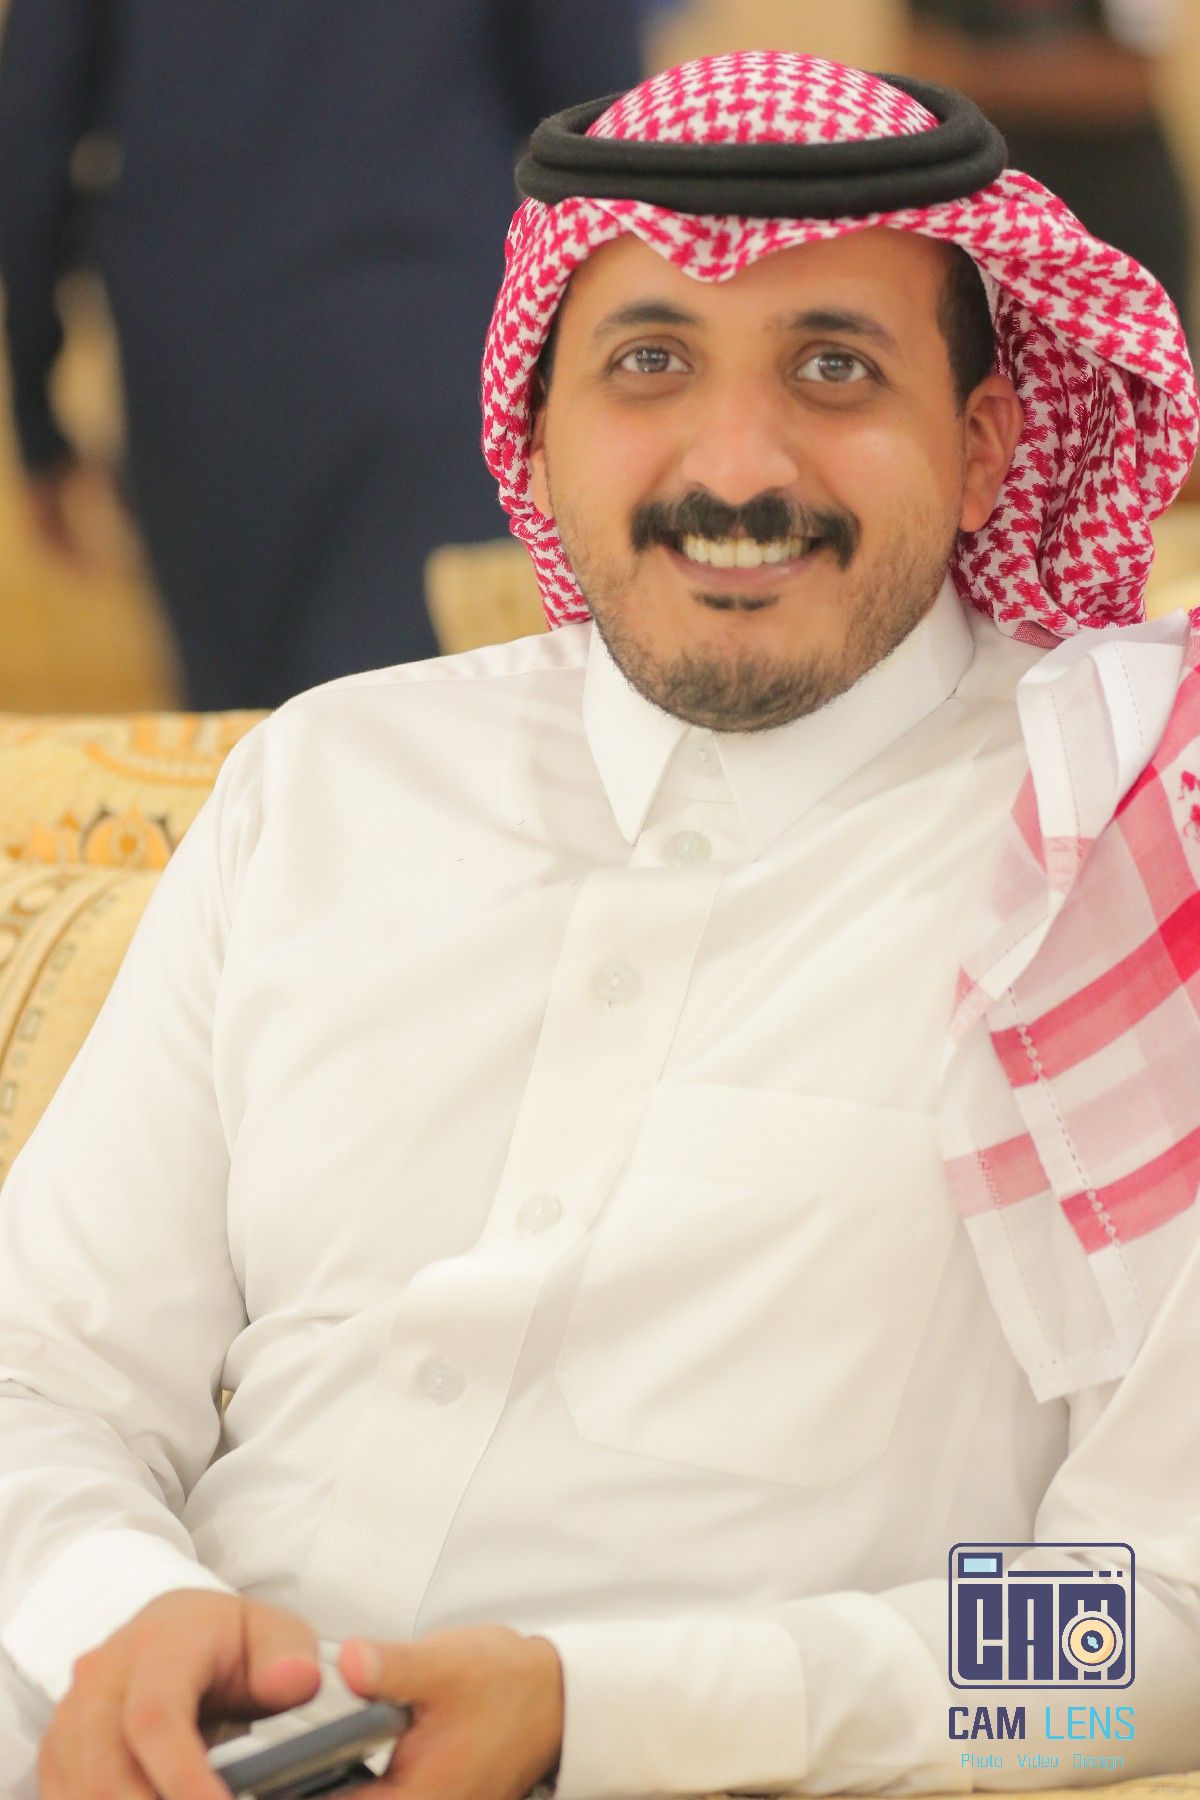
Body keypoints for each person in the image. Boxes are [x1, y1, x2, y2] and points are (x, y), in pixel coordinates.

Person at [2, 48, 1200, 1800]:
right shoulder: (331, 781)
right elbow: (42, 1370)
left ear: (985, 446)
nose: (737, 466)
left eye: (836, 368)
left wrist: (611, 1712)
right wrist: (125, 1616)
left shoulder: (1128, 858)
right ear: (535, 425)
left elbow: (1158, 1625)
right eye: (649, 364)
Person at [0, 0, 646, 709]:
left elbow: (29, 133)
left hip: (203, 368)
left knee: (251, 733)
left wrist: (38, 419)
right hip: (444, 346)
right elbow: (604, 129)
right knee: (443, 716)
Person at [905, 0, 1193, 329]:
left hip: (1121, 215)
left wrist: (976, 73)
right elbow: (928, 69)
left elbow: (1128, 79)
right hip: (999, 220)